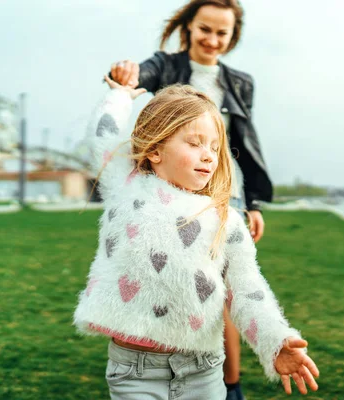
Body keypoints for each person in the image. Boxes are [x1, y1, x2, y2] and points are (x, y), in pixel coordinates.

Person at [73, 77, 319, 399]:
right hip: (135, 372)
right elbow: (103, 135)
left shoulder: (224, 219)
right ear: (156, 149)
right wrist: (119, 96)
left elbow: (248, 291)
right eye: (194, 143)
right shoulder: (126, 186)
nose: (209, 155)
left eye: (215, 147)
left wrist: (276, 341)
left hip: (203, 372)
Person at [110, 2, 270, 397]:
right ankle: (157, 368)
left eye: (222, 33)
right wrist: (124, 76)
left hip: (225, 195)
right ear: (189, 27)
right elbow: (134, 79)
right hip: (170, 193)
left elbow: (243, 147)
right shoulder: (166, 67)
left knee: (228, 286)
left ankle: (227, 385)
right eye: (206, 29)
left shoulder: (240, 83)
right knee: (181, 283)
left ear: (232, 38)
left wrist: (254, 203)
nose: (213, 40)